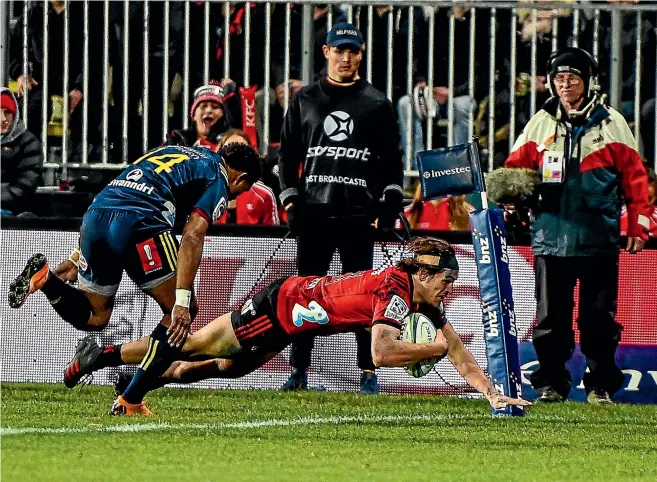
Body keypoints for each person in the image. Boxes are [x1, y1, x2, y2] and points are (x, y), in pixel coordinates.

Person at [65, 237, 532, 415]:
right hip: (282, 306)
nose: (450, 289)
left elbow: (457, 350)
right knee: (190, 346)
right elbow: (382, 356)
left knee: (222, 369)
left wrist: (491, 394)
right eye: (447, 280)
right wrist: (428, 352)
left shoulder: (417, 294)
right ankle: (101, 355)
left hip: (292, 322)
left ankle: (135, 379)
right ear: (424, 275)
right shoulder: (395, 293)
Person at [8, 142, 262, 413]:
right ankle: (130, 399)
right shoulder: (219, 177)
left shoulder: (174, 151)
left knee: (95, 317)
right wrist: (181, 300)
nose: (233, 198)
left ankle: (47, 280)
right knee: (181, 312)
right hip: (141, 222)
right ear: (241, 177)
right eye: (241, 191)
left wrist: (76, 256)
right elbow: (193, 234)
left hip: (97, 213)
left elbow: (126, 188)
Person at [505, 47, 652, 404]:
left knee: (598, 320)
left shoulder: (612, 122)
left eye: (573, 77)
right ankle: (552, 384)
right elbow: (513, 169)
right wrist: (510, 198)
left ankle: (600, 386)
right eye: (559, 78)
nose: (565, 84)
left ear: (589, 82)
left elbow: (635, 178)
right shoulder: (540, 122)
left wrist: (638, 226)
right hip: (550, 235)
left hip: (598, 236)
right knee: (550, 321)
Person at [277, 23, 404, 394]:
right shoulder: (305, 99)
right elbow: (286, 156)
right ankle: (298, 370)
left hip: (356, 216)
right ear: (326, 52)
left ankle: (368, 372)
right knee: (305, 294)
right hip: (314, 215)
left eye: (353, 51)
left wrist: (391, 200)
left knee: (362, 298)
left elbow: (390, 161)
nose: (346, 57)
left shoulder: (377, 103)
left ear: (361, 54)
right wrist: (291, 201)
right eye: (339, 50)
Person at [1, 88, 43, 216]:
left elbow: (25, 185)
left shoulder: (28, 142)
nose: (3, 119)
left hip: (13, 209)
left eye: (7, 112)